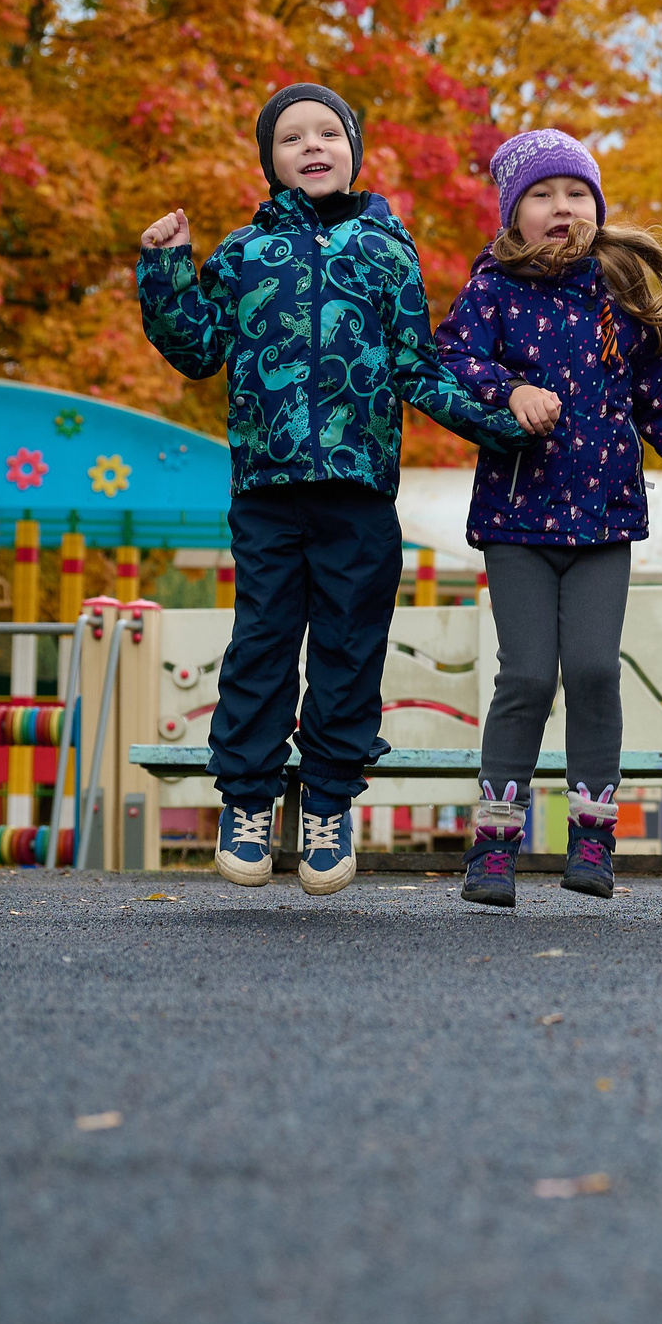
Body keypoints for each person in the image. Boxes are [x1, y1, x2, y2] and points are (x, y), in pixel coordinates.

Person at [139, 83, 529, 895]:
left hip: (358, 492)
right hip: (267, 491)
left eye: (327, 132)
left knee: (351, 649)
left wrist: (501, 425)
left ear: (353, 148)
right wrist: (167, 268)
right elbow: (198, 347)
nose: (311, 146)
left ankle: (327, 803)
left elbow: (418, 368)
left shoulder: (388, 251)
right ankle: (247, 800)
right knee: (262, 645)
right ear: (271, 161)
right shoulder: (243, 253)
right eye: (291, 138)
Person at [436, 129, 662, 908]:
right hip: (519, 522)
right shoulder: (492, 290)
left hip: (603, 519)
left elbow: (656, 390)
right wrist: (508, 391)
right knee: (529, 674)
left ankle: (594, 838)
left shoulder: (620, 295)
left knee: (596, 671)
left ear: (597, 207)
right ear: (514, 213)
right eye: (542, 195)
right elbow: (453, 360)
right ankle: (495, 845)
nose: (562, 207)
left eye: (576, 194)